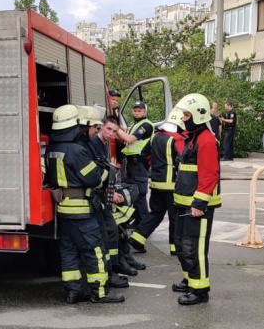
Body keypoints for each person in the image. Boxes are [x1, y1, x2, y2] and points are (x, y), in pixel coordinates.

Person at [45, 104, 125, 304]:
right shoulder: (77, 150)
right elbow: (94, 179)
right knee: (94, 250)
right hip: (82, 209)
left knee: (69, 252)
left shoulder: (52, 148)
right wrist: (106, 171)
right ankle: (99, 292)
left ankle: (73, 292)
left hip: (63, 209)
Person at [171, 93, 221, 306]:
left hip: (197, 206)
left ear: (198, 116)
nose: (183, 119)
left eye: (185, 115)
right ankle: (190, 279)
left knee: (195, 248)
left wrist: (199, 204)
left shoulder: (206, 140)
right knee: (182, 245)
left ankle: (200, 291)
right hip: (185, 203)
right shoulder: (193, 137)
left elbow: (209, 174)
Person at [77, 107, 129, 287]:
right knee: (107, 233)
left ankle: (116, 265)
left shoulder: (102, 143)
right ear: (100, 127)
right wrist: (111, 192)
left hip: (102, 194)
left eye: (115, 132)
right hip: (97, 196)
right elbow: (95, 175)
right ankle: (111, 270)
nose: (111, 134)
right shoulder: (93, 143)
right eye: (108, 129)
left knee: (113, 230)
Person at [129, 108, 185, 255]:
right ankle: (175, 248)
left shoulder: (155, 136)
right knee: (175, 217)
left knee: (155, 213)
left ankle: (137, 238)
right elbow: (182, 159)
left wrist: (151, 169)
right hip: (172, 185)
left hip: (156, 183)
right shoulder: (177, 139)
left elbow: (143, 155)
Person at [117, 101, 154, 252]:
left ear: (145, 112)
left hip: (138, 165)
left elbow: (129, 140)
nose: (137, 113)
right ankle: (139, 225)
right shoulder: (135, 126)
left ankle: (144, 229)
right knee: (134, 194)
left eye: (140, 111)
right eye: (135, 110)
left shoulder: (146, 125)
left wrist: (114, 128)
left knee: (139, 196)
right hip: (132, 164)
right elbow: (126, 136)